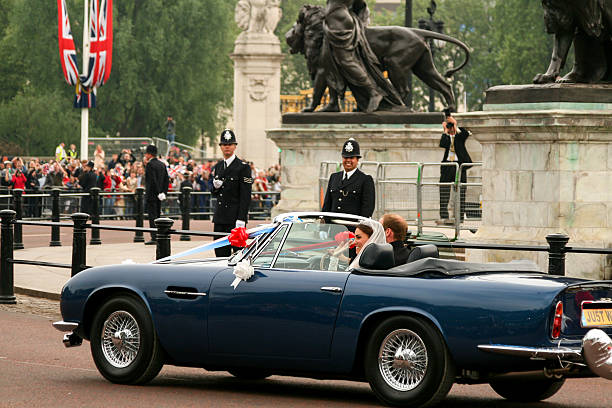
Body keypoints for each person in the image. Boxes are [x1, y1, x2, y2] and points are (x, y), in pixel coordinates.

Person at [322, 0, 403, 112]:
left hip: (339, 19)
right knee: (330, 62)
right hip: (335, 19)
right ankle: (333, 102)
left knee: (346, 61)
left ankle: (373, 92)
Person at [211, 129, 253, 257]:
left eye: (229, 145)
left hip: (234, 219)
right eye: (224, 145)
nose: (227, 147)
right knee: (219, 256)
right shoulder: (218, 166)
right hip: (220, 218)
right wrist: (216, 188)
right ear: (220, 147)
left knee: (238, 256)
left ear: (235, 146)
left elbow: (245, 196)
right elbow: (215, 194)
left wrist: (242, 218)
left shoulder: (243, 167)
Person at [321, 138, 375, 218]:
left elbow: (367, 210)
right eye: (345, 157)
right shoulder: (334, 177)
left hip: (352, 228)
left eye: (352, 158)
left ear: (357, 159)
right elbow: (327, 206)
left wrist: (360, 229)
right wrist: (323, 228)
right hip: (333, 227)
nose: (348, 160)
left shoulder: (365, 180)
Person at [438, 112, 472, 224]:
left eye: (451, 125)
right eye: (449, 125)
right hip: (448, 166)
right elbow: (442, 144)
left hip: (459, 166)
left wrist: (455, 125)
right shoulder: (446, 137)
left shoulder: (460, 135)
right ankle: (444, 216)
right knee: (444, 192)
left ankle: (460, 217)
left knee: (461, 193)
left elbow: (466, 134)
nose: (450, 127)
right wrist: (445, 131)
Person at [144, 145, 169, 244]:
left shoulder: (150, 165)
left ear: (149, 154)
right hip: (160, 195)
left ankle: (154, 237)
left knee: (152, 216)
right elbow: (166, 180)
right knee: (158, 215)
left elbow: (153, 180)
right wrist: (163, 192)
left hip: (152, 195)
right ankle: (159, 235)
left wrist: (158, 192)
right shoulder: (162, 164)